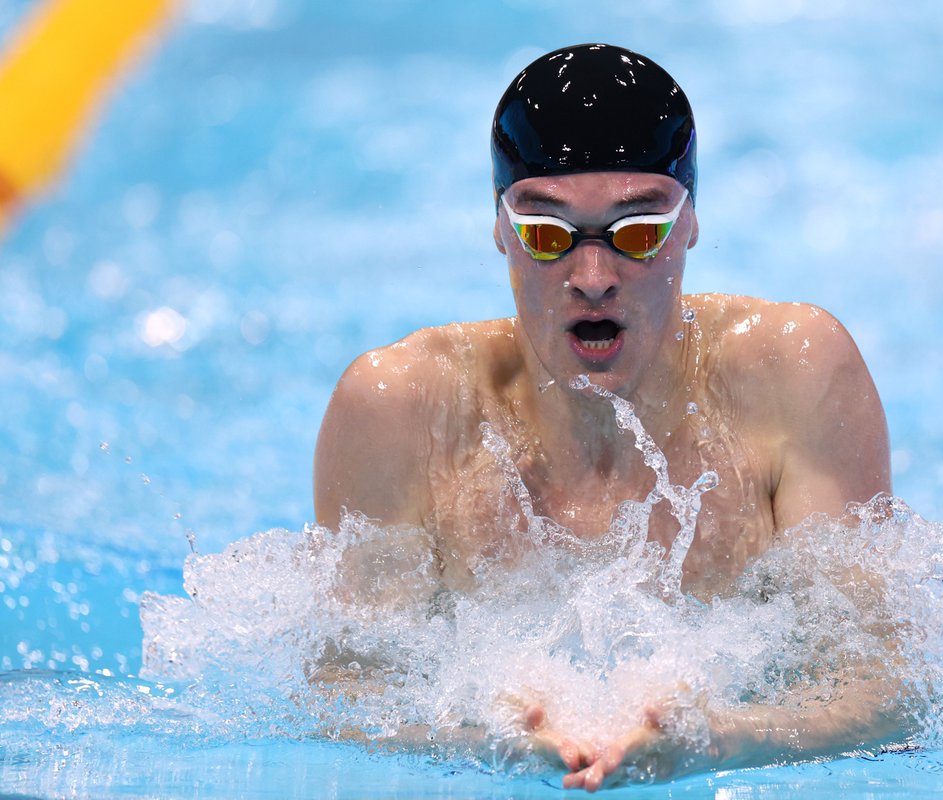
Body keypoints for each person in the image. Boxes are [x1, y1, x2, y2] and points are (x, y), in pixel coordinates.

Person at [314, 43, 900, 791]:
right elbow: (345, 696)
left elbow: (886, 686)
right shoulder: (403, 410)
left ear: (690, 225)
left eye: (637, 231)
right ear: (499, 229)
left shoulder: (795, 374)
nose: (592, 279)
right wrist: (474, 742)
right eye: (548, 235)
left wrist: (724, 741)